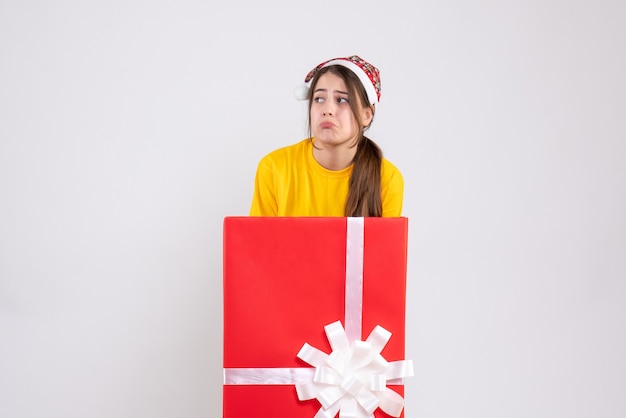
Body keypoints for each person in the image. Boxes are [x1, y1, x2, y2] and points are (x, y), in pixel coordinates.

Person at [250, 55, 403, 217]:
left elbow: (384, 242)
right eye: (319, 99)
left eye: (342, 100)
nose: (327, 109)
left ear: (367, 115)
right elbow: (258, 241)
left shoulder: (387, 179)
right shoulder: (274, 167)